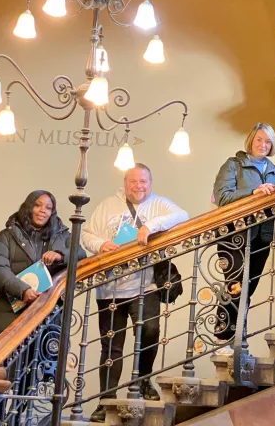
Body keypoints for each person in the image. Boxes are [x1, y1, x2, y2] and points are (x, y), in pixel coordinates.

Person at [81, 164, 189, 422]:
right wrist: (100, 244)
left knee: (150, 331)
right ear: (125, 182)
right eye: (133, 181)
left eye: (143, 181)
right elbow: (86, 234)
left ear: (150, 183)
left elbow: (183, 215)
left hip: (146, 285)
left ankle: (142, 380)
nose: (138, 186)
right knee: (111, 347)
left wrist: (150, 225)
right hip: (110, 289)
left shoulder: (159, 204)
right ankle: (105, 400)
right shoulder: (107, 205)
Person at [0, 190, 82, 356]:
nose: (42, 210)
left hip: (45, 312)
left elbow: (81, 255)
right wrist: (22, 290)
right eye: (38, 205)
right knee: (4, 368)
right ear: (28, 207)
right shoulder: (5, 237)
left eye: (48, 207)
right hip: (7, 312)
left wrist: (61, 255)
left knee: (37, 368)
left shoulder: (62, 236)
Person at [211, 123, 275, 352]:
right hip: (233, 233)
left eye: (268, 142)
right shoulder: (233, 165)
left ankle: (236, 337)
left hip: (261, 235)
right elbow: (222, 197)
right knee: (235, 284)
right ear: (251, 141)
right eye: (259, 140)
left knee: (248, 287)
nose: (263, 145)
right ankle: (225, 337)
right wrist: (253, 193)